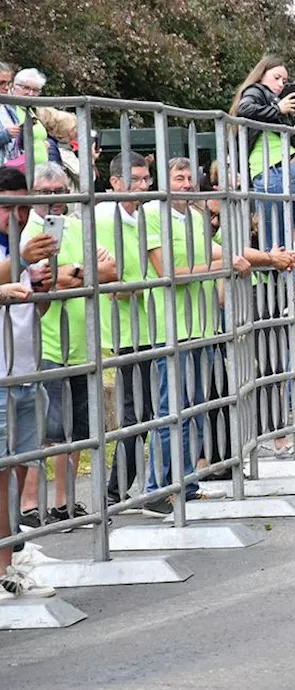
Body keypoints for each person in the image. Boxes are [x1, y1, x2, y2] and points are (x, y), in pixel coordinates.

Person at [19, 162, 118, 529]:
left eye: (60, 192)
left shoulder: (78, 226)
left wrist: (69, 271)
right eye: (45, 193)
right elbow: (36, 278)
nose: (53, 200)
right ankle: (31, 504)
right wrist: (80, 271)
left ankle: (65, 502)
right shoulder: (26, 228)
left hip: (82, 343)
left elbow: (111, 270)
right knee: (46, 430)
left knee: (78, 429)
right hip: (41, 344)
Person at [138, 157, 224, 517]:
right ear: (165, 180)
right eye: (179, 177)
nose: (187, 183)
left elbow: (221, 255)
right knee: (170, 409)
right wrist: (223, 265)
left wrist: (260, 257)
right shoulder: (154, 214)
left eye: (190, 178)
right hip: (171, 328)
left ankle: (185, 483)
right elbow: (168, 270)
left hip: (199, 326)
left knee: (191, 409)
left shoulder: (196, 218)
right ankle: (156, 489)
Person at [0, 166, 57, 598]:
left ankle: (12, 554)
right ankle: (5, 567)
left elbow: (30, 313)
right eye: (9, 208)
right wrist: (21, 263)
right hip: (2, 376)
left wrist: (43, 288)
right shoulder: (14, 252)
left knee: (19, 469)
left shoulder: (19, 251)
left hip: (25, 370)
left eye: (23, 207)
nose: (17, 215)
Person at [97, 152, 157, 510]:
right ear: (115, 182)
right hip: (121, 325)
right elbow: (106, 272)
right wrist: (127, 286)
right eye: (134, 179)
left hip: (147, 322)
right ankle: (116, 491)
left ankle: (121, 489)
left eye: (145, 179)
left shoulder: (144, 216)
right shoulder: (105, 216)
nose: (142, 185)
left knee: (144, 409)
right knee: (139, 409)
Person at [230, 55, 295, 250]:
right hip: (282, 172)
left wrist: (294, 127)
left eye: (284, 81)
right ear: (261, 75)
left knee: (275, 243)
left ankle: (294, 266)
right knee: (284, 241)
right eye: (276, 77)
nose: (280, 84)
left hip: (276, 173)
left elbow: (273, 130)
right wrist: (278, 109)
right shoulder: (256, 91)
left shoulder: (269, 101)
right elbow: (245, 109)